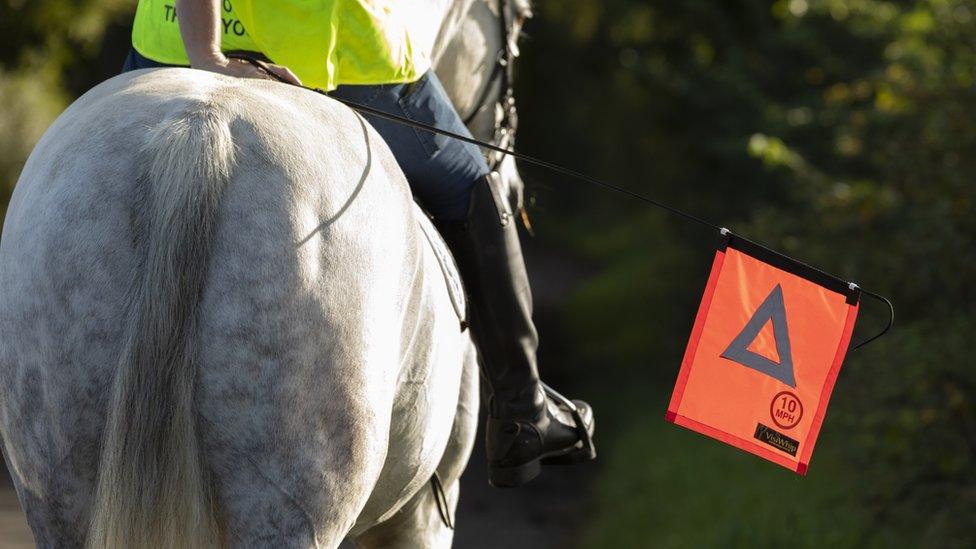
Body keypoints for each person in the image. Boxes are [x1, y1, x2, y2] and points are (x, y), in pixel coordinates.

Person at [121, 0, 595, 487]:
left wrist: (202, 51)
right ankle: (522, 411)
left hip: (166, 40)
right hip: (320, 54)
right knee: (471, 186)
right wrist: (214, 61)